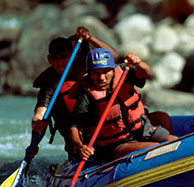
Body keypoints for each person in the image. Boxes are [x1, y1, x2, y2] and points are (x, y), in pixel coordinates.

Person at [70, 48, 177, 163]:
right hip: (116, 145)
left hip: (143, 130)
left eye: (106, 72)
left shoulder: (124, 72)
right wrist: (80, 146)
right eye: (96, 73)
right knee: (158, 149)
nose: (101, 78)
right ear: (89, 74)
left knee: (174, 142)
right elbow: (74, 127)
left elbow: (146, 73)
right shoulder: (86, 94)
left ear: (113, 70)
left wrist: (138, 64)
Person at [30, 27, 119, 163]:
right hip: (77, 142)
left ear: (72, 56)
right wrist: (36, 125)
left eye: (64, 57)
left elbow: (113, 57)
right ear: (49, 59)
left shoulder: (88, 69)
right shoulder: (49, 85)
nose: (59, 63)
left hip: (103, 132)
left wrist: (91, 38)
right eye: (55, 58)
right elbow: (41, 113)